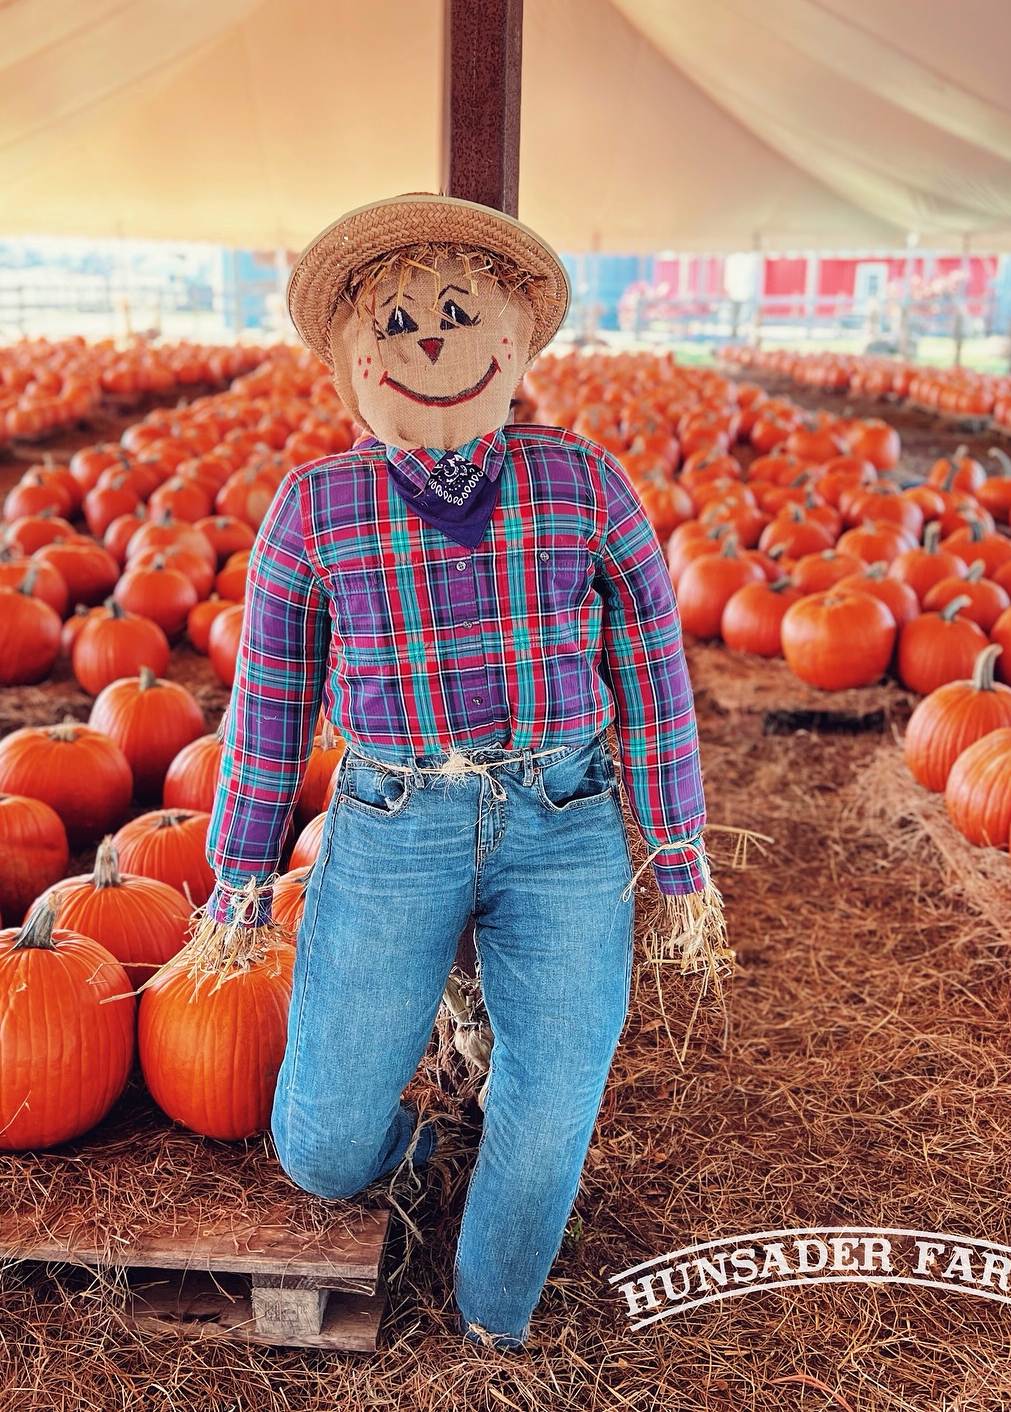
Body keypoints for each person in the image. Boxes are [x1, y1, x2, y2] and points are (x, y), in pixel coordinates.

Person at [199, 193, 720, 1348]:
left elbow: (653, 670)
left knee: (553, 1093)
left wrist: (676, 845)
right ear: (349, 358)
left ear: (514, 339)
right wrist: (236, 877)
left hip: (565, 813)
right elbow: (270, 707)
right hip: (394, 823)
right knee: (321, 1144)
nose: (427, 340)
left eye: (453, 312)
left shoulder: (585, 484)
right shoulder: (315, 509)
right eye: (394, 323)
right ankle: (414, 1151)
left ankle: (492, 1327)